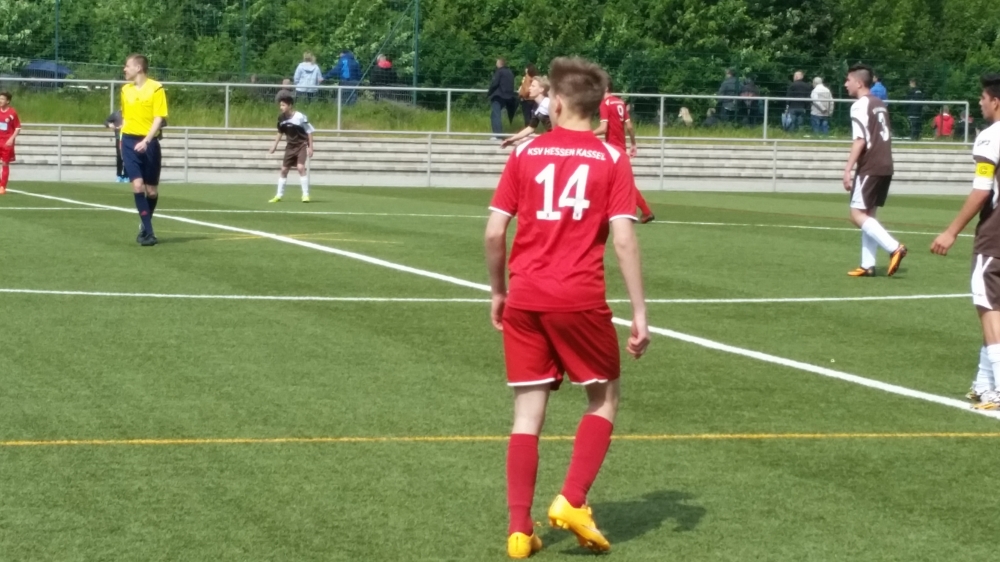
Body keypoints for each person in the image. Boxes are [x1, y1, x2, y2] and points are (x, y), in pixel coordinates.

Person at [484, 56, 649, 559]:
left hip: (526, 296)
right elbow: (624, 240)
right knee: (604, 397)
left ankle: (519, 530)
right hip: (579, 297)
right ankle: (572, 499)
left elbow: (494, 233)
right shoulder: (612, 158)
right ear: (597, 107)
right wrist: (640, 313)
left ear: (555, 103)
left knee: (526, 413)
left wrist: (498, 292)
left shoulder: (525, 152)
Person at [931, 74, 1000, 409]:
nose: (980, 103)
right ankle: (984, 383)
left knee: (989, 308)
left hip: (995, 235)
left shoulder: (991, 137)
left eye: (983, 98)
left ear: (995, 102)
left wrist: (951, 231)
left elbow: (982, 189)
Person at [842, 64, 906, 277]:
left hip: (870, 164)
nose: (845, 84)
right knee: (869, 215)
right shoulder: (879, 103)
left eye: (848, 80)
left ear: (859, 82)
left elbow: (860, 139)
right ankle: (867, 265)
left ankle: (894, 247)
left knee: (856, 214)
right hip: (886, 163)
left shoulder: (859, 105)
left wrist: (848, 169)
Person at [120, 54, 168, 247]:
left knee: (152, 192)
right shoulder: (125, 90)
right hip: (129, 141)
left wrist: (147, 140)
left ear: (138, 68)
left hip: (149, 143)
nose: (124, 69)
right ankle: (149, 232)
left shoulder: (156, 88)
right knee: (138, 186)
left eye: (127, 66)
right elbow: (125, 117)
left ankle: (144, 224)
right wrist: (122, 139)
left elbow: (159, 118)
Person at [594, 79, 655, 223]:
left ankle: (644, 211)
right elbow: (630, 126)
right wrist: (633, 143)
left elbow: (603, 128)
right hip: (621, 147)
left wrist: (587, 134)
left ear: (606, 87)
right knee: (618, 181)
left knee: (605, 179)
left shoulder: (605, 104)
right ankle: (645, 211)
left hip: (612, 149)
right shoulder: (620, 103)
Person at [268, 95, 315, 203]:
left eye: (283, 105)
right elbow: (280, 132)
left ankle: (305, 195)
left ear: (290, 106)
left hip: (301, 145)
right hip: (290, 146)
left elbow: (309, 131)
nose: (281, 107)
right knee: (284, 170)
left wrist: (310, 147)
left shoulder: (300, 117)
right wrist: (274, 145)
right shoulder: (281, 118)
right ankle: (278, 195)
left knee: (300, 167)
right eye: (280, 105)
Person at [499, 76, 550, 148]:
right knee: (525, 141)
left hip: (560, 138)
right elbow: (530, 128)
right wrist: (512, 139)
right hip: (553, 137)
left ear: (541, 89)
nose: (529, 88)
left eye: (533, 86)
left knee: (527, 140)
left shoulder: (548, 103)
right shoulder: (536, 108)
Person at [488, 58, 516, 140]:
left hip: (498, 96)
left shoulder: (499, 72)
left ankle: (498, 135)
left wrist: (489, 93)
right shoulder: (510, 72)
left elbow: (495, 83)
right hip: (508, 97)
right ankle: (497, 134)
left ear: (499, 64)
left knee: (496, 115)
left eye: (496, 63)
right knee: (494, 115)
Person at [0, 91, 21, 195]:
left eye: (2, 99)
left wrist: (11, 139)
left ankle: (2, 187)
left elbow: (18, 127)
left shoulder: (12, 113)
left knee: (5, 163)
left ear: (7, 101)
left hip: (7, 142)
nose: (0, 101)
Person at [103, 109, 127, 183]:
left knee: (127, 157)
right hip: (119, 138)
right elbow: (105, 121)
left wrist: (124, 126)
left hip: (128, 138)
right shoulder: (116, 114)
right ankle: (119, 175)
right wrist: (109, 124)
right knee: (119, 157)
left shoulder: (131, 113)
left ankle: (126, 175)